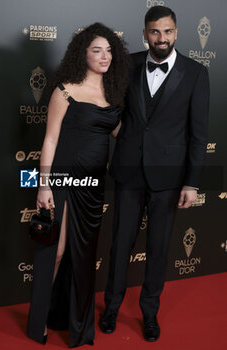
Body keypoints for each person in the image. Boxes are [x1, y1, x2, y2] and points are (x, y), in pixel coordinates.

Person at [99, 6, 210, 342]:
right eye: (154, 31)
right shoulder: (126, 65)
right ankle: (112, 308)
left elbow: (198, 133)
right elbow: (111, 111)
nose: (162, 38)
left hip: (169, 177)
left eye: (168, 31)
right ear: (145, 33)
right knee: (120, 245)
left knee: (159, 247)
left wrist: (191, 181)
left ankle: (150, 313)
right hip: (129, 171)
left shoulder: (195, 73)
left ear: (176, 32)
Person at [27, 22, 130, 348]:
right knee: (54, 253)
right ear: (82, 54)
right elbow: (51, 139)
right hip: (61, 178)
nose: (104, 56)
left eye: (109, 50)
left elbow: (117, 134)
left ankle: (78, 326)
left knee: (83, 255)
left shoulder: (112, 94)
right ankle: (39, 321)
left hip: (93, 185)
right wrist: (43, 187)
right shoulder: (64, 90)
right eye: (96, 50)